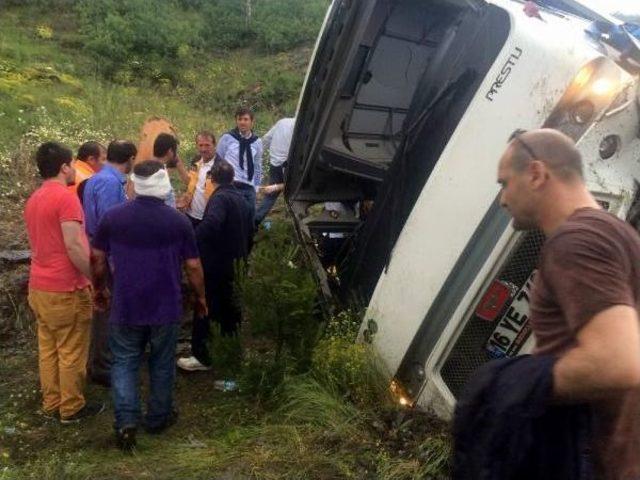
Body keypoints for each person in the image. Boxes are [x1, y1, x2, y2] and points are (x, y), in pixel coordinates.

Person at [497, 128, 640, 479]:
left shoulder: (573, 242)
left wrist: (516, 384)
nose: (501, 199)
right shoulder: (615, 231)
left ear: (535, 173)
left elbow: (619, 362)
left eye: (504, 183)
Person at [91, 159, 207, 451]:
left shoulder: (114, 218)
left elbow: (97, 258)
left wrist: (100, 288)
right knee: (161, 362)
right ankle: (158, 418)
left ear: (134, 184)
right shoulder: (177, 221)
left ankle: (126, 423)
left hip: (127, 305)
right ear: (164, 183)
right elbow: (193, 266)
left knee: (125, 362)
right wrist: (201, 297)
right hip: (165, 306)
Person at [24, 141, 104, 424]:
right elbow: (74, 246)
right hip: (66, 286)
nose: (73, 169)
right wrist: (96, 278)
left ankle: (52, 402)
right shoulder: (66, 198)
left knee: (48, 347)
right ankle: (71, 408)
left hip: (39, 285)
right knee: (71, 349)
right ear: (63, 167)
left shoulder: (34, 199)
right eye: (71, 164)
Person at [177, 160, 253, 372]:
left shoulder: (219, 199)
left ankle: (202, 356)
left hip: (216, 264)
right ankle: (230, 353)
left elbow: (211, 225)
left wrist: (190, 241)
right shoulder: (241, 200)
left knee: (206, 306)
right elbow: (251, 231)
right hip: (237, 263)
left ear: (212, 180)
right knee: (230, 310)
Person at [82, 140, 137, 386]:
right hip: (106, 253)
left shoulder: (102, 178)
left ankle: (102, 360)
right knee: (106, 307)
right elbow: (109, 224)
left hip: (101, 250)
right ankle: (102, 365)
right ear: (131, 158)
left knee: (106, 307)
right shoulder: (109, 183)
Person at [214, 107, 263, 224]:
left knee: (249, 221)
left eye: (245, 119)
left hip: (248, 187)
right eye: (239, 119)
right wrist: (217, 182)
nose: (242, 122)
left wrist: (256, 187)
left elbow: (257, 166)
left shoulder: (257, 142)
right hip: (231, 184)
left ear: (252, 122)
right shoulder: (227, 138)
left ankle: (247, 241)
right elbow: (218, 160)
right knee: (230, 219)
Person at [254, 117, 295, 227]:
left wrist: (257, 156)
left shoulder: (282, 122)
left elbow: (266, 139)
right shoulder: (302, 127)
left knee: (270, 195)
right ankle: (292, 222)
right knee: (294, 193)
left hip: (275, 164)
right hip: (289, 166)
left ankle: (256, 219)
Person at [178, 131, 217, 228]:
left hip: (208, 217)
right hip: (190, 213)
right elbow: (190, 183)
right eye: (201, 145)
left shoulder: (220, 166)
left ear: (214, 145)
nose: (203, 149)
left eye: (207, 145)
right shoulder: (196, 160)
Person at [153, 133, 190, 208]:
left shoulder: (153, 168)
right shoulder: (160, 175)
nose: (177, 155)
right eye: (175, 151)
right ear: (170, 151)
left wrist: (175, 203)